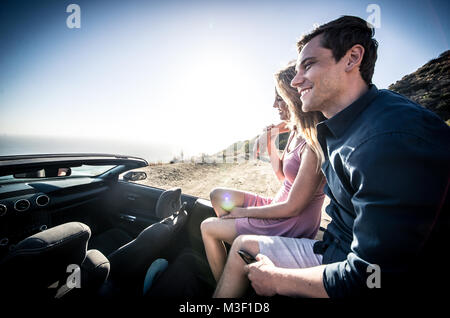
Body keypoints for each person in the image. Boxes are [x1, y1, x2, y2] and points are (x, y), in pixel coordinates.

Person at [213, 15, 450, 298]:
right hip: (335, 247)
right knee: (243, 245)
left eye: (309, 65)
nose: (297, 80)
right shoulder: (344, 125)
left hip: (346, 264)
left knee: (241, 249)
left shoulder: (387, 141)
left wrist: (277, 280)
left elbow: (371, 278)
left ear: (352, 58)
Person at [201, 63, 326, 282]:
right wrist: (270, 142)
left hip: (290, 220)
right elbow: (283, 177)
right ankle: (242, 257)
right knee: (217, 196)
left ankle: (226, 282)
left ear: (294, 96)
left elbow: (292, 207)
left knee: (208, 227)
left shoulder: (312, 142)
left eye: (279, 98)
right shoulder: (295, 128)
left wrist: (242, 214)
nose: (274, 104)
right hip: (281, 205)